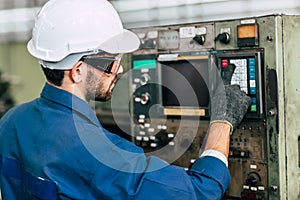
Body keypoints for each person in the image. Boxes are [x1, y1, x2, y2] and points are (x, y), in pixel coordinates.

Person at [0, 0, 251, 199]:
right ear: (77, 71)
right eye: (111, 62)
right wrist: (222, 121)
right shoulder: (100, 155)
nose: (119, 70)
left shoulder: (11, 123)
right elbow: (201, 191)